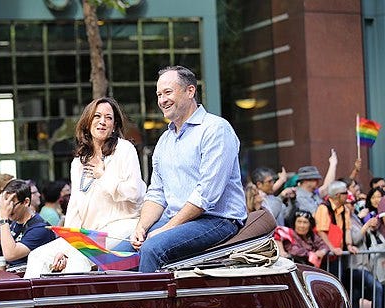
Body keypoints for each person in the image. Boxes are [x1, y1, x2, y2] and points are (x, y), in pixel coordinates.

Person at [123, 65, 247, 272]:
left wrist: (166, 229)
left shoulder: (216, 129)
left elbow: (206, 195)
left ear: (190, 91)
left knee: (152, 249)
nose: (162, 100)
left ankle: (149, 305)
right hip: (177, 221)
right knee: (118, 251)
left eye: (168, 92)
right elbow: (157, 193)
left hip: (217, 220)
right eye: (159, 94)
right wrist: (141, 227)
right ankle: (122, 305)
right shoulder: (165, 139)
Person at [24, 96, 146, 277]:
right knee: (37, 256)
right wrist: (65, 245)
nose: (102, 122)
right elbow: (75, 207)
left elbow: (134, 192)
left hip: (121, 226)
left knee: (78, 257)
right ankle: (36, 305)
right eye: (97, 116)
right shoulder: (78, 162)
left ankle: (73, 306)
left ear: (114, 125)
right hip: (87, 234)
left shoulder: (124, 149)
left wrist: (103, 176)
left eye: (108, 117)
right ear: (88, 122)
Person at [0, 179, 55, 268]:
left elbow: (10, 254)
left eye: (12, 204)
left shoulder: (40, 228)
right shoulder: (14, 222)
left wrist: (3, 218)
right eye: (5, 204)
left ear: (26, 202)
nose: (7, 209)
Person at [314, 180, 358, 257]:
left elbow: (347, 229)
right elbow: (321, 232)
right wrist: (332, 248)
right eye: (345, 193)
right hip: (327, 254)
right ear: (337, 195)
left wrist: (349, 245)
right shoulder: (324, 208)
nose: (348, 195)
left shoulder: (345, 209)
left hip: (341, 252)